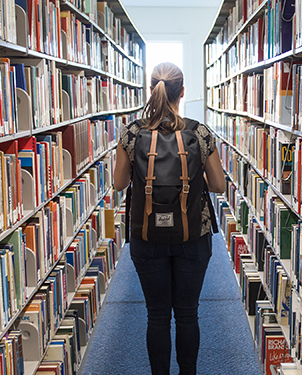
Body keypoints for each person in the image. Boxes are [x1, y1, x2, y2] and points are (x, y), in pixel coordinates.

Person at [113, 62, 225, 375]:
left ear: (150, 90)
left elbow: (119, 184)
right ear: (183, 92)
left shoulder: (131, 133)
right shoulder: (199, 132)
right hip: (193, 234)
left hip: (146, 235)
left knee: (157, 315)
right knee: (188, 314)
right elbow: (218, 185)